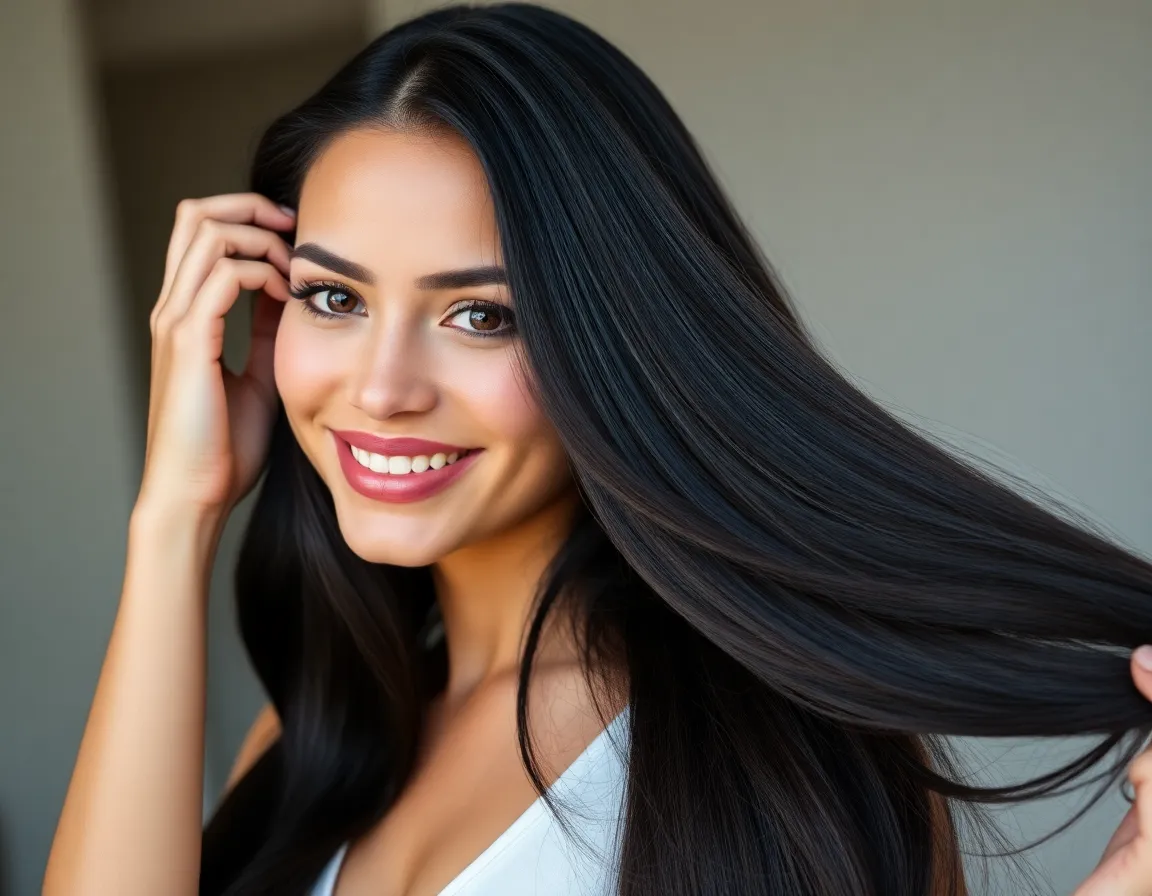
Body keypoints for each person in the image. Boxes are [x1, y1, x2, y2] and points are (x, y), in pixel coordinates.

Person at [43, 3, 1152, 894]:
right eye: (335, 296)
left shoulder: (773, 752)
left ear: (617, 342)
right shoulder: (318, 734)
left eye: (482, 314)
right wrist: (174, 515)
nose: (381, 390)